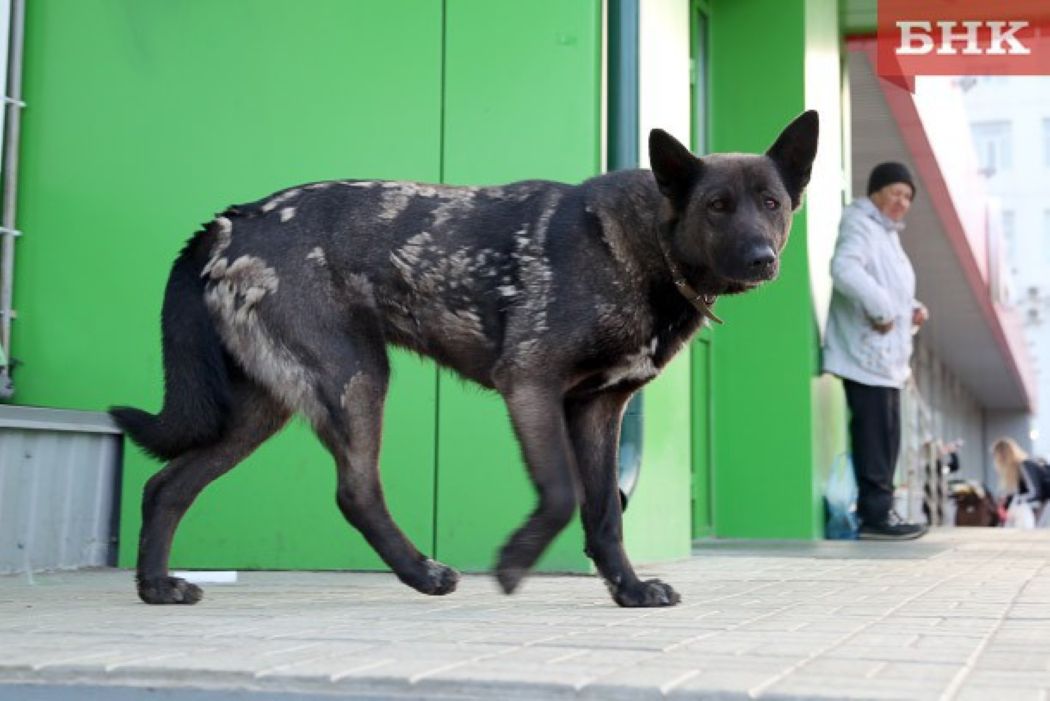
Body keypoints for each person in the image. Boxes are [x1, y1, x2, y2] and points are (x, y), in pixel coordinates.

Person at [823, 162, 929, 540]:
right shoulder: (861, 223)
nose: (902, 201)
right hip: (864, 356)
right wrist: (883, 308)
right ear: (876, 191)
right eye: (896, 192)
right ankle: (874, 517)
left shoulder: (887, 234)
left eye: (908, 196)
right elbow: (845, 269)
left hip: (886, 361)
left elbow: (889, 285)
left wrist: (911, 306)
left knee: (887, 439)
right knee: (874, 438)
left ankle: (883, 513)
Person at [991, 437, 1050, 527]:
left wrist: (1016, 500)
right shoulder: (1015, 470)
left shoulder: (1024, 465)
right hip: (1043, 502)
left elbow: (1034, 492)